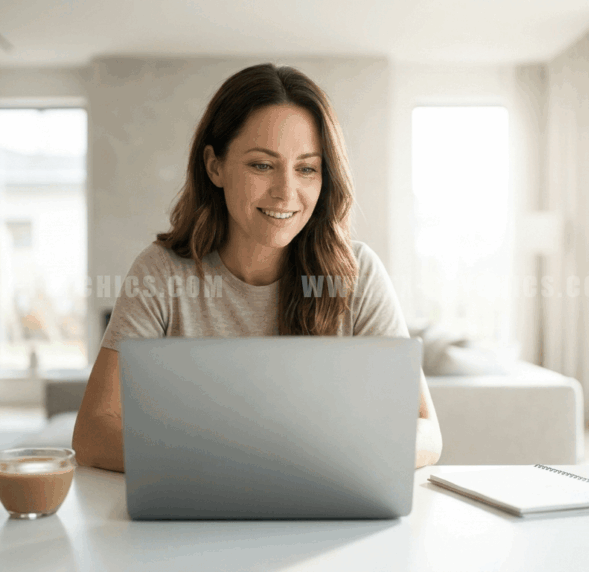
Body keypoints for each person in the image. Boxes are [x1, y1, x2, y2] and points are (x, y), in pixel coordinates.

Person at [72, 63, 442, 472]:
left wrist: (336, 459)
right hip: (201, 514)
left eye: (306, 168)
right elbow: (92, 433)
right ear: (214, 167)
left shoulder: (359, 275)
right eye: (262, 165)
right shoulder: (161, 275)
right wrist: (234, 462)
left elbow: (425, 430)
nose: (286, 192)